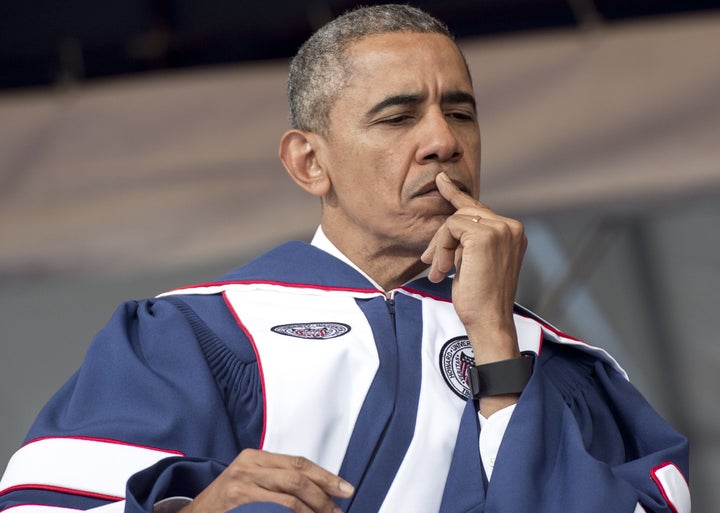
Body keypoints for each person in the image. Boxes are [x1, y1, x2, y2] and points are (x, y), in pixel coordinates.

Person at [0, 4, 689, 513]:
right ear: (309, 162)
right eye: (397, 117)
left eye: (461, 112)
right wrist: (194, 509)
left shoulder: (565, 365)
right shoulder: (193, 335)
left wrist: (496, 346)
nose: (443, 142)